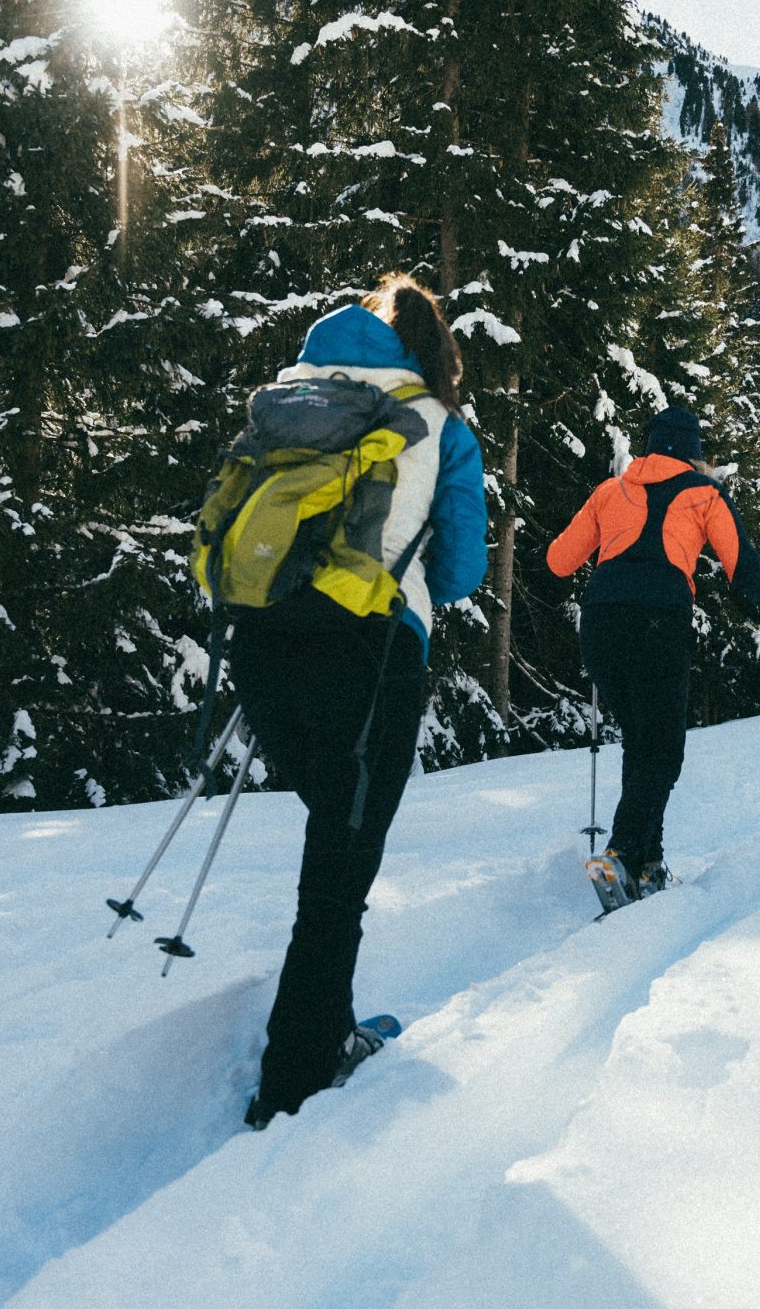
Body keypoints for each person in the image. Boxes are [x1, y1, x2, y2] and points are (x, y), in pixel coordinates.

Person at [231, 275, 487, 1129]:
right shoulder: (438, 423)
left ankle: (323, 1024)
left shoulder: (291, 397)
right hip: (371, 656)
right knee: (340, 873)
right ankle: (295, 1080)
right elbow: (461, 570)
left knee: (332, 843)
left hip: (261, 641)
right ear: (433, 350)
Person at [545, 406, 760, 901]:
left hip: (601, 622)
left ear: (650, 446)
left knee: (642, 743)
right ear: (694, 453)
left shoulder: (611, 490)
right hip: (659, 620)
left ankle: (647, 864)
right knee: (663, 749)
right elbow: (742, 567)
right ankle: (620, 853)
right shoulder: (704, 493)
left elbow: (559, 561)